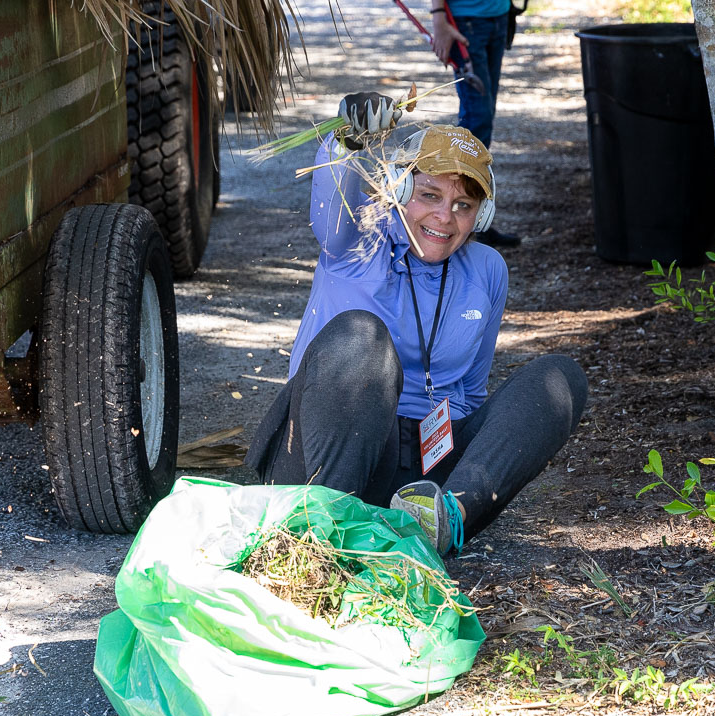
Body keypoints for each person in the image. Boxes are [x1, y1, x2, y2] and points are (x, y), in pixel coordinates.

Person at [245, 92, 586, 557]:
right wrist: (349, 140)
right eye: (429, 196)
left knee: (559, 378)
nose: (444, 218)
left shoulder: (487, 271)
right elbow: (332, 197)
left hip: (425, 474)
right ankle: (320, 540)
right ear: (401, 190)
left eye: (464, 205)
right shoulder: (354, 240)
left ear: (481, 216)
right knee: (363, 336)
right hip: (331, 455)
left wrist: (472, 458)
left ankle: (443, 522)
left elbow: (469, 390)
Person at [430, 0, 521, 247]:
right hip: (466, 21)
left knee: (484, 116)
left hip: (499, 15)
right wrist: (439, 17)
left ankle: (474, 220)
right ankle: (460, 221)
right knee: (477, 119)